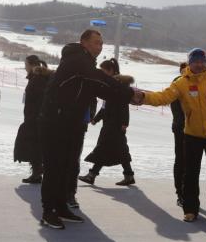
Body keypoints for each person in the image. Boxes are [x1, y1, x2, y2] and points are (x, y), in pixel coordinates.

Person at [39, 29, 136, 229]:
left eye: (101, 44)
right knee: (54, 168)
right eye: (95, 43)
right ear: (83, 42)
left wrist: (127, 96)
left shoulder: (86, 63)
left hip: (73, 122)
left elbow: (101, 89)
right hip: (56, 121)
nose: (99, 47)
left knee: (66, 166)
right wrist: (129, 93)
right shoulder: (76, 60)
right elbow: (100, 78)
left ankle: (61, 207)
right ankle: (48, 212)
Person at [133, 49, 206, 223]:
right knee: (190, 174)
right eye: (195, 61)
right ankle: (190, 210)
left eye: (202, 61)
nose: (199, 64)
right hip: (192, 135)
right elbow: (163, 97)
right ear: (189, 63)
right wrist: (143, 97)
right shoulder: (181, 83)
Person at [79, 58, 136, 186]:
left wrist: (124, 123)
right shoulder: (110, 84)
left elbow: (124, 106)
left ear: (110, 71)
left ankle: (92, 175)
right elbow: (105, 105)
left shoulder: (119, 85)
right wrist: (96, 118)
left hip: (115, 123)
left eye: (104, 71)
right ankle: (128, 175)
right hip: (109, 122)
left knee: (104, 147)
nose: (102, 74)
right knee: (118, 150)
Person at [14, 55, 53, 184]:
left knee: (34, 145)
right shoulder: (37, 78)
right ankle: (37, 172)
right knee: (35, 145)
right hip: (35, 117)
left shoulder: (38, 79)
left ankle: (37, 173)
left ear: (31, 65)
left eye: (26, 64)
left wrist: (35, 116)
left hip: (35, 118)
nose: (25, 67)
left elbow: (40, 100)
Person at [171, 62, 188, 207]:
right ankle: (180, 193)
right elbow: (176, 109)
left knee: (191, 163)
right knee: (181, 160)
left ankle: (189, 192)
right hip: (181, 128)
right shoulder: (177, 83)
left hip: (196, 130)